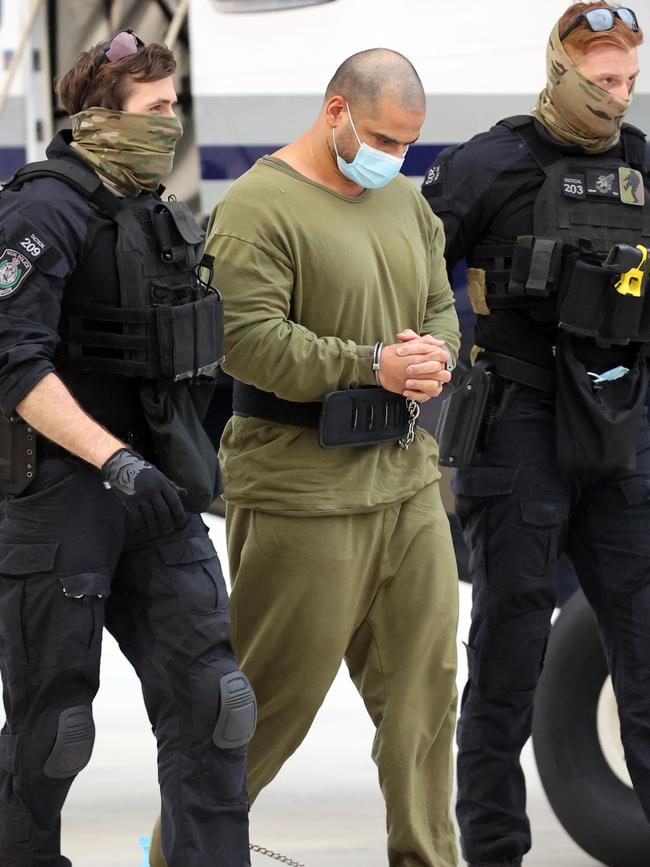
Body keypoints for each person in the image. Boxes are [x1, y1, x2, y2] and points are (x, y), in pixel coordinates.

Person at [149, 46, 462, 867]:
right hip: (302, 493)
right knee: (264, 707)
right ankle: (181, 853)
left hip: (406, 483)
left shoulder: (404, 202)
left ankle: (428, 855)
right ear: (336, 113)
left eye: (409, 145)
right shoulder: (260, 205)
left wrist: (435, 356)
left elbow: (438, 297)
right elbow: (246, 342)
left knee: (426, 705)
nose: (395, 160)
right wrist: (371, 364)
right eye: (385, 139)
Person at [0, 29, 255, 867]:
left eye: (174, 106)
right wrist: (111, 457)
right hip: (64, 495)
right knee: (55, 727)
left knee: (218, 702)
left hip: (155, 494)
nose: (171, 123)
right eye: (156, 109)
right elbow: (13, 363)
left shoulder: (154, 213)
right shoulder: (44, 208)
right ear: (101, 116)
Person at [422, 4, 650, 865]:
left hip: (621, 428)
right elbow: (405, 271)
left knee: (645, 652)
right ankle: (493, 851)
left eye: (629, 80)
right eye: (602, 80)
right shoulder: (490, 163)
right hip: (519, 428)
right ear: (560, 68)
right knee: (510, 655)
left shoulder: (640, 166)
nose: (617, 97)